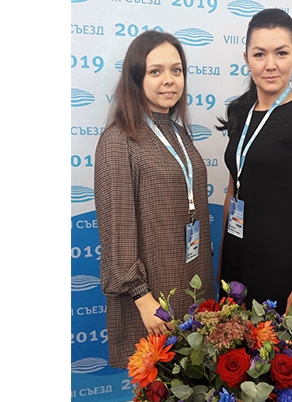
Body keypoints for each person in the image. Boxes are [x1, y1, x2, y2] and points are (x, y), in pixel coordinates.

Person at [94, 31, 215, 371]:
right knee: (159, 386)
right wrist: (142, 297)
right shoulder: (119, 139)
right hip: (152, 293)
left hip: (190, 279)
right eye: (155, 71)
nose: (169, 80)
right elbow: (117, 229)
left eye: (176, 70)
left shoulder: (177, 132)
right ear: (136, 77)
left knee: (191, 384)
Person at [217, 8, 292, 321]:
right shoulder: (240, 112)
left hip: (281, 265)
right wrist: (224, 261)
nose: (270, 65)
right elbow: (233, 189)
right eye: (259, 54)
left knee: (271, 349)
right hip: (237, 261)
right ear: (246, 58)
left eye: (281, 53)